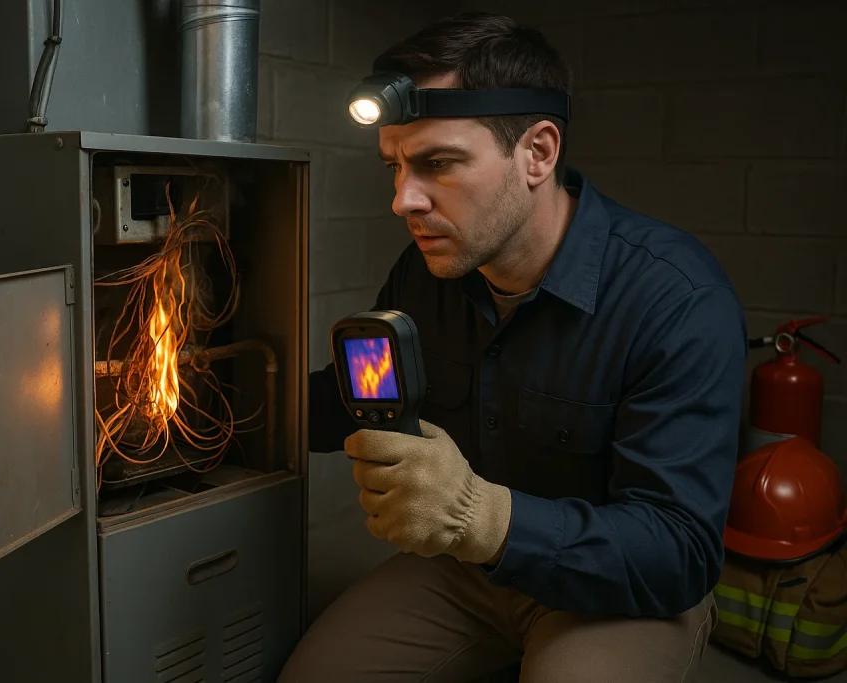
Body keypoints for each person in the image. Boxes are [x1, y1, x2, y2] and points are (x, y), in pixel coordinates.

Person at [277, 11, 749, 683]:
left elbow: (678, 551)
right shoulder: (426, 276)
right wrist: (216, 407)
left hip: (620, 589)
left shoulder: (676, 300)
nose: (403, 200)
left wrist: (482, 516)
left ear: (538, 153)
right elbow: (363, 395)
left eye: (438, 163)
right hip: (469, 570)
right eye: (395, 166)